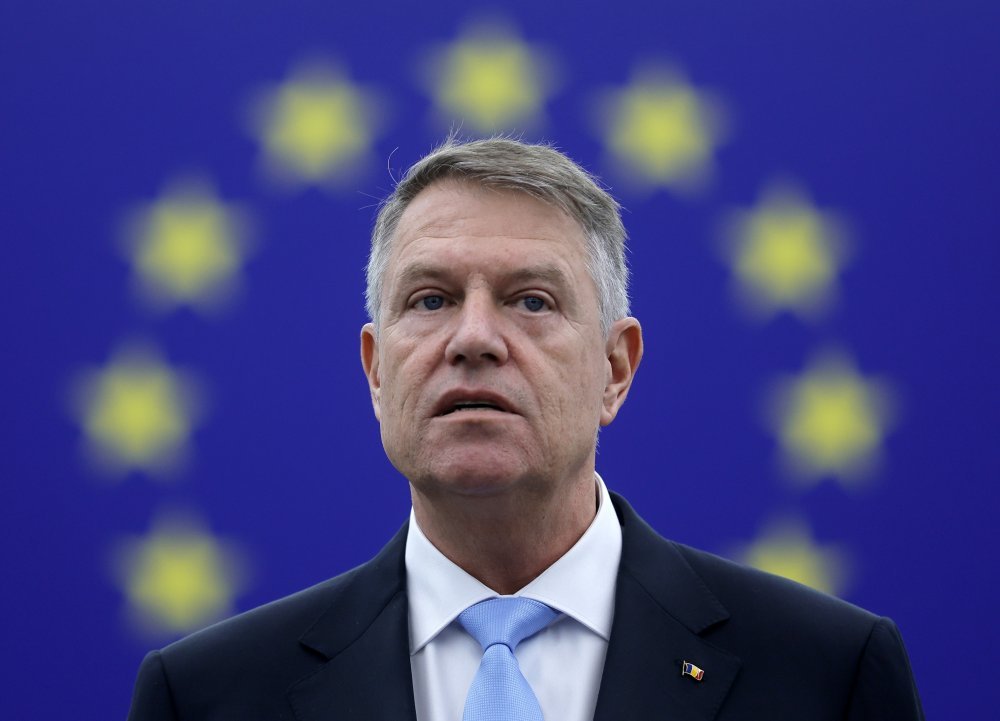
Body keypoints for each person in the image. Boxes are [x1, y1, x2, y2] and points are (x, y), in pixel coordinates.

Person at [127, 137, 924, 720]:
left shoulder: (826, 673)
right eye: (431, 299)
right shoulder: (206, 696)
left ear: (615, 368)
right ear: (376, 372)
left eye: (531, 300)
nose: (474, 338)